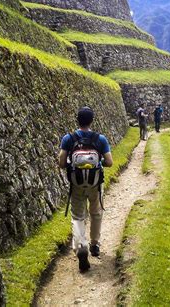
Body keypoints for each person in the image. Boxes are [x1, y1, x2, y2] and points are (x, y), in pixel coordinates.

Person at [59, 107, 113, 272]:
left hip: (76, 184)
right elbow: (109, 162)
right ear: (91, 120)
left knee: (78, 216)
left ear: (78, 120)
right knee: (96, 213)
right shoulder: (100, 139)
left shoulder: (69, 138)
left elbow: (61, 162)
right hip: (95, 183)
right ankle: (94, 244)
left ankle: (81, 245)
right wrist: (97, 165)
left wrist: (72, 165)